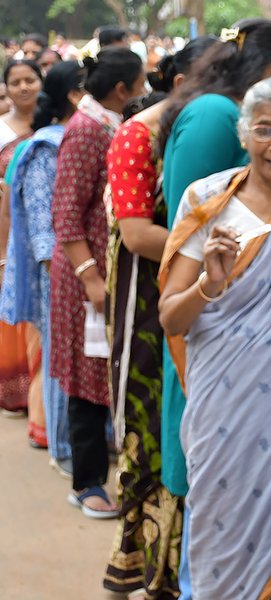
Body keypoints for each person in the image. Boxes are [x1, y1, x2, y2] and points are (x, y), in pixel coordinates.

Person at [159, 76, 271, 600]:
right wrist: (208, 284)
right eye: (264, 130)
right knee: (220, 522)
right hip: (226, 407)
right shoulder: (209, 201)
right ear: (244, 136)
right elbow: (172, 317)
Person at [157, 20, 271, 596]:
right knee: (217, 500)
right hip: (216, 355)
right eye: (264, 130)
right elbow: (194, 225)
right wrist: (212, 283)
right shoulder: (214, 119)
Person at [101, 36, 216, 600]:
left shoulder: (206, 127)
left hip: (203, 291)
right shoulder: (136, 134)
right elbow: (137, 231)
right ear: (182, 82)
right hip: (148, 298)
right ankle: (143, 557)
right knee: (148, 425)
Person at [50, 48, 145, 519]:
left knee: (101, 377)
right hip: (85, 278)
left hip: (100, 275)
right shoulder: (86, 132)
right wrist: (90, 277)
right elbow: (65, 215)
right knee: (84, 383)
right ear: (123, 89)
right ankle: (86, 483)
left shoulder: (106, 126)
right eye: (142, 82)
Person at [0, 61, 84, 470]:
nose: (21, 87)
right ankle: (58, 441)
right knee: (54, 356)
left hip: (75, 270)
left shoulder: (74, 137)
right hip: (53, 272)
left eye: (28, 79)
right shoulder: (45, 147)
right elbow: (40, 226)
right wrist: (59, 273)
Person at [0, 59, 43, 418]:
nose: (24, 87)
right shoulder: (1, 131)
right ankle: (18, 393)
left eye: (30, 79)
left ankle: (39, 396)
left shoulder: (49, 128)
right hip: (7, 231)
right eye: (16, 82)